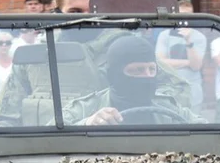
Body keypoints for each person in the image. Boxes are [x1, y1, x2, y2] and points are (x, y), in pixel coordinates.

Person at [65, 35, 206, 127]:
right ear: (114, 74)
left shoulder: (166, 108)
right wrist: (88, 123)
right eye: (137, 70)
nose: (147, 77)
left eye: (151, 70)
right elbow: (51, 132)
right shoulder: (86, 107)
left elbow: (205, 129)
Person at [155, 0, 207, 108]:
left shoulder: (199, 37)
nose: (185, 18)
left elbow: (196, 65)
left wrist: (188, 41)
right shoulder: (164, 35)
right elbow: (160, 62)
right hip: (170, 88)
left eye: (188, 15)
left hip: (192, 91)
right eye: (181, 15)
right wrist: (187, 62)